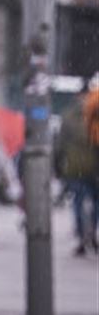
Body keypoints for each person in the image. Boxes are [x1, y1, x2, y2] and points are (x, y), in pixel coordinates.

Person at [57, 96, 99, 255]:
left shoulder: (68, 118)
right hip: (94, 167)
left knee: (78, 202)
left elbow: (60, 144)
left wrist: (57, 166)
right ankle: (92, 234)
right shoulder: (94, 117)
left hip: (74, 167)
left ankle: (82, 236)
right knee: (95, 202)